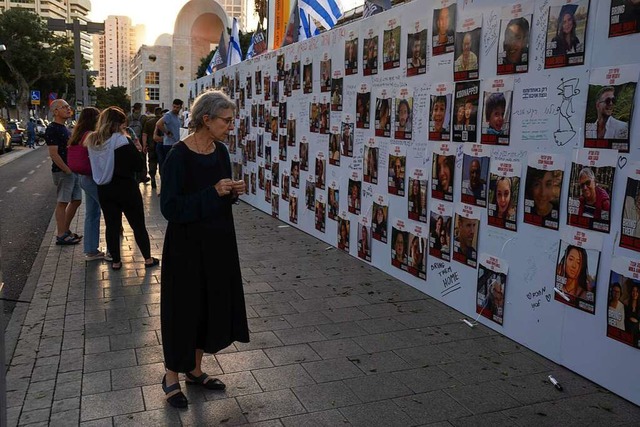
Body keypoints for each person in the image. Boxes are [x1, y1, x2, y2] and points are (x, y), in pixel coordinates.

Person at [159, 90, 249, 408]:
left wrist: (232, 191)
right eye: (226, 120)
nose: (230, 126)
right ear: (206, 119)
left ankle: (195, 370)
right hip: (186, 247)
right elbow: (170, 208)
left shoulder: (220, 151)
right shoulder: (178, 156)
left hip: (218, 242)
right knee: (182, 310)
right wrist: (213, 192)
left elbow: (221, 194)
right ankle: (171, 375)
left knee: (208, 307)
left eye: (232, 120)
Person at [85, 107, 159, 271]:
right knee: (137, 224)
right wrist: (138, 149)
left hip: (105, 189)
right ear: (117, 124)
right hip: (126, 188)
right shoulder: (121, 140)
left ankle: (116, 261)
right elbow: (137, 165)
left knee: (112, 225)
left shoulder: (93, 141)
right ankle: (147, 259)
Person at [67, 107, 104, 260]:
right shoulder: (91, 135)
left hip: (83, 177)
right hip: (93, 177)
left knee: (91, 213)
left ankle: (90, 250)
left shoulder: (77, 135)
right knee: (108, 211)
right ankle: (111, 251)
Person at [46, 99, 83, 245]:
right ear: (55, 111)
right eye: (64, 107)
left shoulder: (64, 128)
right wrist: (67, 170)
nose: (68, 109)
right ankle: (61, 234)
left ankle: (65, 230)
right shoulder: (53, 129)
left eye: (69, 107)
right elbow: (53, 153)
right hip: (63, 171)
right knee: (62, 202)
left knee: (77, 200)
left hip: (71, 170)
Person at [156, 99, 184, 177]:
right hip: (169, 144)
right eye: (174, 107)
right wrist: (167, 132)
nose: (175, 109)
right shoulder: (169, 115)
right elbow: (158, 124)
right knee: (170, 166)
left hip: (176, 143)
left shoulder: (177, 117)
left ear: (181, 107)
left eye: (177, 107)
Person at [128, 102, 150, 184]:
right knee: (142, 159)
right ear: (140, 108)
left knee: (131, 159)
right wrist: (145, 144)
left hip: (131, 141)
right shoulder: (143, 118)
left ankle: (134, 176)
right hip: (140, 141)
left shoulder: (129, 117)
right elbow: (145, 131)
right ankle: (143, 176)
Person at [143, 107, 163, 188]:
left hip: (151, 145)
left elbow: (144, 134)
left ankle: (152, 177)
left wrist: (144, 145)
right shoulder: (163, 122)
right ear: (161, 113)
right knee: (162, 162)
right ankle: (162, 180)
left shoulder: (149, 122)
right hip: (161, 145)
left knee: (151, 161)